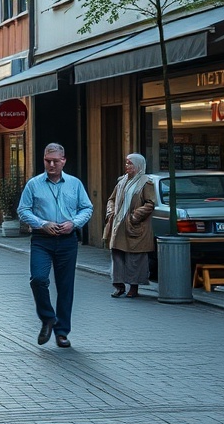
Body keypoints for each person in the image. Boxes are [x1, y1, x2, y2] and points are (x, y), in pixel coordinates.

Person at [17, 143, 93, 349]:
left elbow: (87, 208)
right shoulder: (34, 184)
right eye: (47, 161)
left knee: (65, 287)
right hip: (42, 239)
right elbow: (23, 210)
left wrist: (73, 223)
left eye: (55, 161)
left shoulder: (75, 184)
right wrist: (42, 223)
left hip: (68, 240)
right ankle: (48, 318)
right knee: (38, 279)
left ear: (63, 161)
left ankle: (62, 332)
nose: (51, 165)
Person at [104, 153, 156, 298]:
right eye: (126, 163)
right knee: (117, 255)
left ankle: (134, 287)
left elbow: (150, 203)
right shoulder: (122, 181)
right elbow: (111, 199)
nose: (127, 166)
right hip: (119, 224)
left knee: (135, 258)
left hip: (135, 226)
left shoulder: (146, 182)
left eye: (130, 163)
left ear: (138, 165)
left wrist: (135, 216)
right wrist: (111, 211)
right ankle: (119, 285)